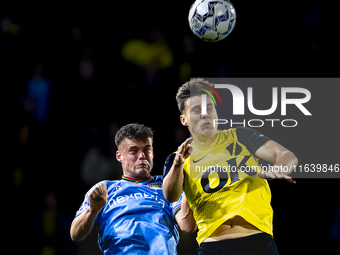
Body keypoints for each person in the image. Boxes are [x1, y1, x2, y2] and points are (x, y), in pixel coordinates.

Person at [162, 78, 298, 255]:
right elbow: (170, 196)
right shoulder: (178, 159)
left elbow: (286, 156)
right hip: (213, 246)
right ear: (184, 119)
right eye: (196, 110)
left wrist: (280, 168)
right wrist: (179, 165)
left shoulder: (241, 136)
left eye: (209, 108)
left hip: (256, 240)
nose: (205, 114)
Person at [70, 123, 196, 255]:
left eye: (147, 149)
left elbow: (187, 225)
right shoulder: (104, 189)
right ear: (119, 156)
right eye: (134, 151)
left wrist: (189, 180)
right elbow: (75, 234)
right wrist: (92, 210)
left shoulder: (167, 186)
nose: (142, 156)